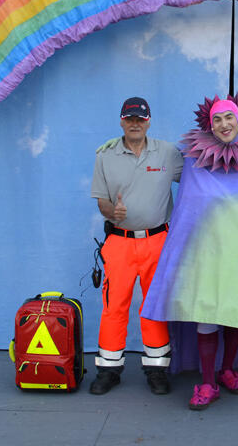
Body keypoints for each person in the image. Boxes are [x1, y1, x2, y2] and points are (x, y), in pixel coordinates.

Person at [141, 94, 238, 411]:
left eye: (228, 117)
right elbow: (153, 160)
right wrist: (115, 148)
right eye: (217, 119)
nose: (223, 124)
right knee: (207, 316)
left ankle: (228, 369)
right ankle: (208, 381)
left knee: (236, 310)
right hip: (206, 253)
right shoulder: (191, 158)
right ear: (209, 124)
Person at [89, 97, 183, 395]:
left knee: (154, 306)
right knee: (113, 305)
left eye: (139, 119)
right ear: (121, 121)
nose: (134, 123)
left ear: (149, 121)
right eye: (129, 118)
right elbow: (102, 200)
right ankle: (109, 369)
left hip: (158, 241)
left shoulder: (167, 153)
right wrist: (110, 212)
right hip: (120, 242)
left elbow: (201, 173)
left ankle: (156, 370)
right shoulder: (105, 156)